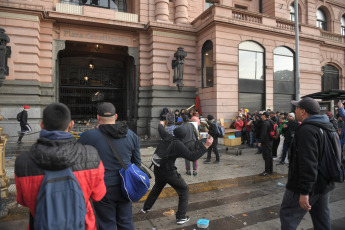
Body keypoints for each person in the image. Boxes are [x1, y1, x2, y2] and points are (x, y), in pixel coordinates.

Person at [15, 102, 106, 230]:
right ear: (71, 124)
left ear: (42, 125)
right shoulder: (90, 155)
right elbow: (98, 195)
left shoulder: (22, 162)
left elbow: (22, 201)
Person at [78, 102, 142, 230]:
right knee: (126, 221)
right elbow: (137, 163)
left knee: (106, 223)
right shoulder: (131, 135)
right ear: (116, 116)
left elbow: (79, 162)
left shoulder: (88, 136)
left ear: (98, 117)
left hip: (102, 187)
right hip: (126, 186)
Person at [142, 121, 213, 225]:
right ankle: (181, 217)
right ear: (184, 137)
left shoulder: (167, 136)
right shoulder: (179, 144)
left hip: (158, 168)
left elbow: (160, 129)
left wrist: (161, 123)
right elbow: (192, 157)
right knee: (184, 189)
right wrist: (206, 146)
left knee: (157, 188)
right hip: (168, 172)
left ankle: (145, 208)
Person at [280, 97, 335, 230]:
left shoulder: (307, 130)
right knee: (322, 220)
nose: (295, 110)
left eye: (297, 108)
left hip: (305, 185)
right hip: (324, 183)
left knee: (288, 215)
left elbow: (308, 162)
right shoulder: (327, 126)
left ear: (303, 111)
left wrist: (304, 192)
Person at [258, 112, 273, 176]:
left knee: (266, 157)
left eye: (262, 115)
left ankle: (267, 171)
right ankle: (270, 170)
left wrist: (260, 141)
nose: (261, 116)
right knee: (269, 156)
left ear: (264, 116)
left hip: (266, 142)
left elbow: (263, 133)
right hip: (270, 141)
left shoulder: (265, 123)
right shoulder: (270, 121)